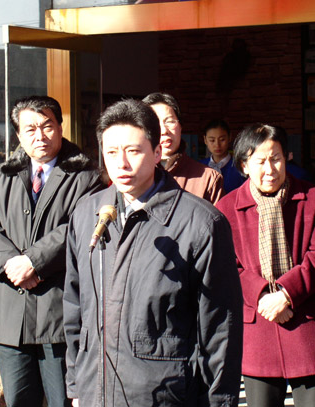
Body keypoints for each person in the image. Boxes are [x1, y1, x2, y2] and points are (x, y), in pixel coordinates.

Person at [64, 99, 243, 406]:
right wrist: (77, 386)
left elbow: (220, 329)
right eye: (111, 152)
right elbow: (74, 307)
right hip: (95, 390)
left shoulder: (201, 223)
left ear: (158, 152)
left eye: (133, 151)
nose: (121, 163)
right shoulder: (86, 213)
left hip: (165, 395)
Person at [0, 96, 103, 407]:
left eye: (47, 126)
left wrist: (34, 261)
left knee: (63, 400)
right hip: (11, 315)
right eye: (30, 129)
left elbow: (80, 226)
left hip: (57, 313)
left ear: (60, 127)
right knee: (18, 400)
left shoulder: (86, 176)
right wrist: (12, 265)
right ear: (18, 134)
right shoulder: (1, 175)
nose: (40, 136)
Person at [216, 123, 315, 407]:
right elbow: (228, 266)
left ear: (286, 157)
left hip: (308, 324)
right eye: (260, 161)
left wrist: (285, 294)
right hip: (259, 325)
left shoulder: (314, 198)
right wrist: (264, 297)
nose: (270, 169)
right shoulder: (226, 208)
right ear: (244, 165)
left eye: (275, 158)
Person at [142, 92, 224, 204]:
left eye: (170, 121)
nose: (164, 131)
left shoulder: (208, 179)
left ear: (180, 126)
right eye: (155, 123)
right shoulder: (132, 176)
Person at [200, 119, 245, 192]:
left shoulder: (240, 167)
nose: (217, 145)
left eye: (222, 139)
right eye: (212, 140)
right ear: (205, 140)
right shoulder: (200, 166)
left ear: (229, 137)